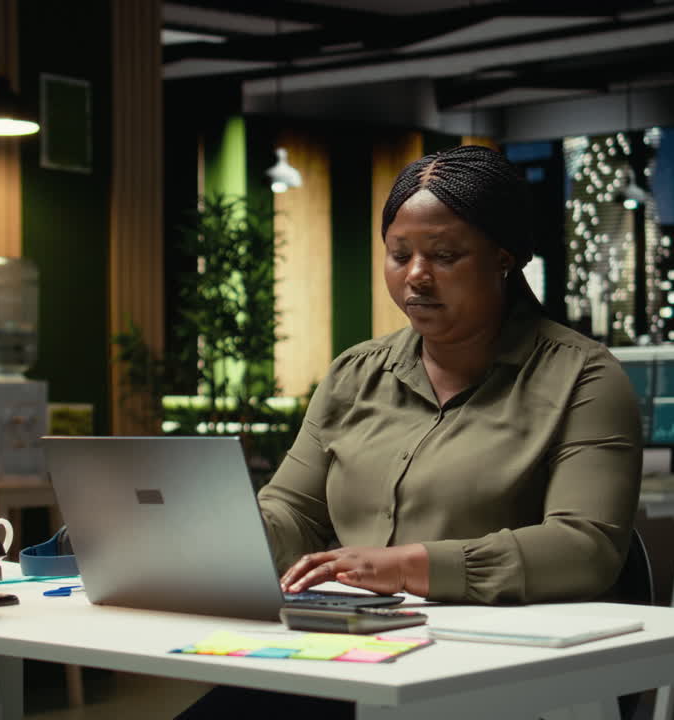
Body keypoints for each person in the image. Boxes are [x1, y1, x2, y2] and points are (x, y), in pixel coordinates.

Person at [178, 145, 642, 719]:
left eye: (444, 255)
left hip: (492, 661)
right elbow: (292, 513)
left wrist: (406, 565)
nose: (416, 276)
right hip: (349, 649)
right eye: (399, 255)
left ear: (504, 259)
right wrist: (205, 534)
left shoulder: (583, 377)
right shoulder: (355, 373)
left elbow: (586, 547)